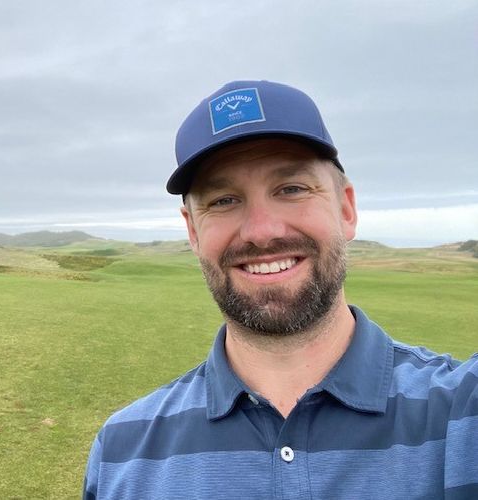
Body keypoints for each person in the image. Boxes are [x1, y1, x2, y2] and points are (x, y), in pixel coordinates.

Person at [83, 80, 478, 499]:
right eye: (223, 200)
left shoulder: (462, 412)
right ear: (193, 231)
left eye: (291, 189)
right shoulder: (121, 453)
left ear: (346, 210)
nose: (262, 231)